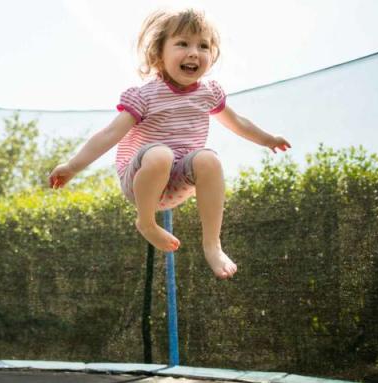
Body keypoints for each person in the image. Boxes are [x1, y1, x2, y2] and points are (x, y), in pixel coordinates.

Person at [48, 8, 290, 280]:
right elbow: (109, 134)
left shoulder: (208, 94)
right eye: (182, 44)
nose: (193, 52)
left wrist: (267, 139)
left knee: (209, 159)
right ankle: (147, 222)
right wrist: (72, 166)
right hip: (139, 179)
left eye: (203, 46)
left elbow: (238, 122)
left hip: (178, 182)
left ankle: (213, 244)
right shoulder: (145, 96)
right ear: (158, 54)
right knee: (160, 154)